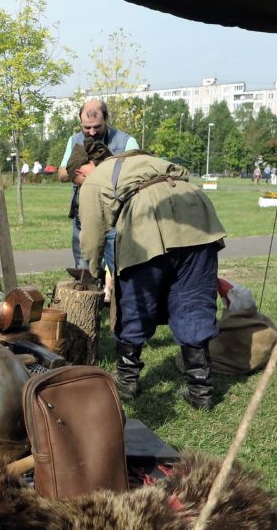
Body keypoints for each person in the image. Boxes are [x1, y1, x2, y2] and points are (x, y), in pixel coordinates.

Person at [71, 141, 226, 410]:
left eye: (77, 182)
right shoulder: (138, 161)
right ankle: (201, 392)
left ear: (81, 171)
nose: (80, 185)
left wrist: (93, 274)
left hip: (149, 219)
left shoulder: (94, 181)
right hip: (198, 216)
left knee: (134, 302)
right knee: (193, 302)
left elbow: (92, 236)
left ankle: (127, 382)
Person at [59, 100, 139, 302]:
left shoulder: (127, 142)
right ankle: (87, 307)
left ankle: (119, 308)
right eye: (86, 128)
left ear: (107, 119)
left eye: (97, 127)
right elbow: (61, 174)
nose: (92, 132)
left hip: (117, 216)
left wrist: (99, 172)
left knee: (119, 265)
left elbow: (137, 175)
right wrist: (80, 167)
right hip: (84, 215)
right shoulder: (74, 140)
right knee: (84, 266)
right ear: (80, 122)